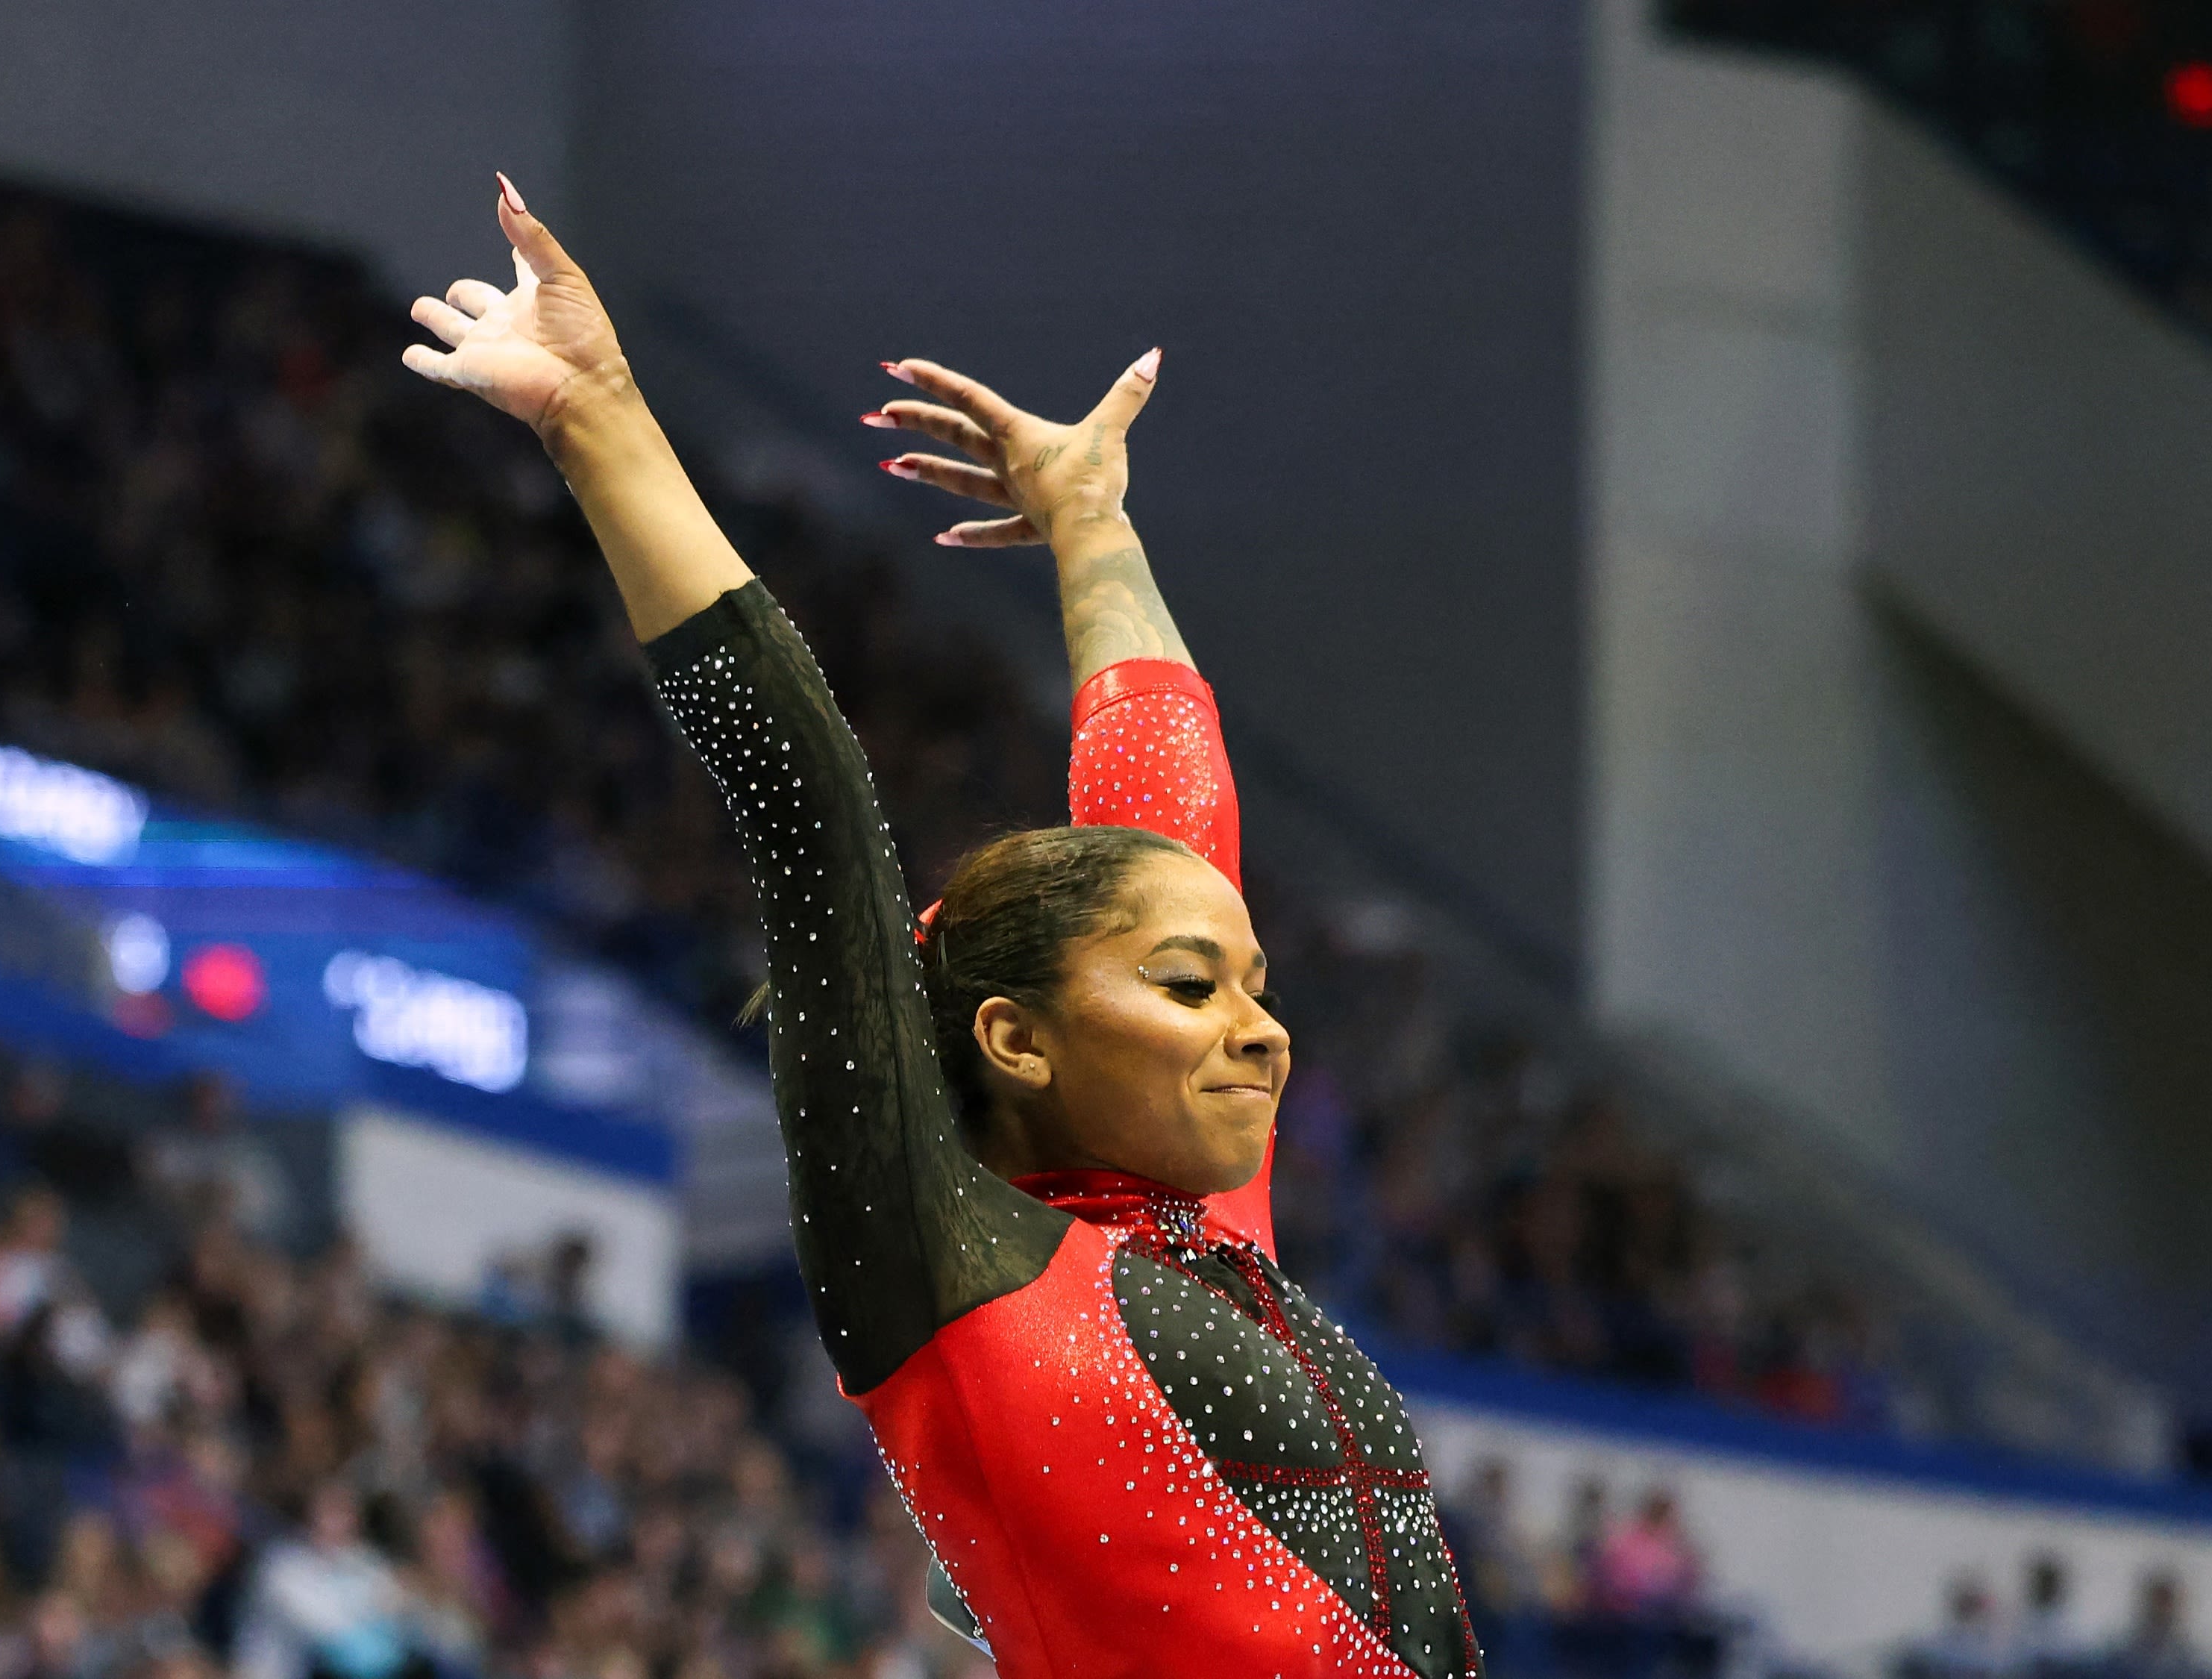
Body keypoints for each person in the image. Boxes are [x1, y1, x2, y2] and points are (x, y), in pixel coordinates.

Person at [403, 175, 1474, 1675]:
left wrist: (1089, 522)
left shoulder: (1197, 1235)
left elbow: (1171, 806)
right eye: (1189, 987)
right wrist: (600, 420)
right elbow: (812, 815)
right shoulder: (949, 1269)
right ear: (1011, 1039)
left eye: (1254, 984)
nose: (1261, 1027)